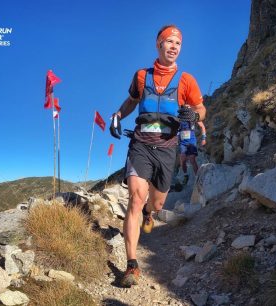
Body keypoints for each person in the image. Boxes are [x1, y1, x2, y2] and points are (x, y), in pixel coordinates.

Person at [109, 24, 206, 287]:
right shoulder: (141, 76)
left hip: (167, 148)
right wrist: (118, 115)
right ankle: (131, 265)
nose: (174, 46)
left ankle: (150, 214)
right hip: (140, 144)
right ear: (159, 44)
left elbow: (200, 109)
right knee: (135, 198)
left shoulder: (186, 80)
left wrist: (194, 116)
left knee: (157, 204)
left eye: (178, 43)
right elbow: (131, 100)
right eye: (169, 41)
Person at [178, 119, 206, 185]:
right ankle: (185, 175)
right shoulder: (178, 116)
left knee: (192, 159)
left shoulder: (192, 115)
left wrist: (204, 138)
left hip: (191, 142)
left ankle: (198, 177)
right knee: (183, 159)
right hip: (182, 143)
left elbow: (202, 126)